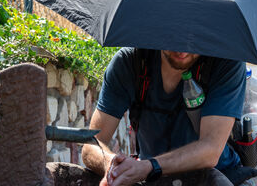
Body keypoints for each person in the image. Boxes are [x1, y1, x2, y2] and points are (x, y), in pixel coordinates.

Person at [82, 48, 246, 186]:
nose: (182, 50)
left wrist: (149, 167)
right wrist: (112, 166)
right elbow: (92, 144)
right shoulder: (131, 62)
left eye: (193, 39)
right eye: (173, 37)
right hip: (152, 177)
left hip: (218, 176)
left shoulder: (227, 63)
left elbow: (211, 150)